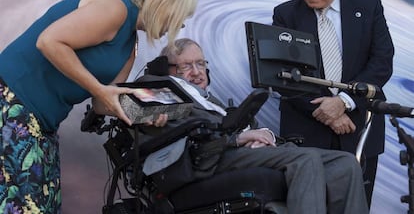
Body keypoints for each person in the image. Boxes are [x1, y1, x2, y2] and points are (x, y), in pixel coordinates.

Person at [0, 0, 197, 213]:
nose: (181, 25)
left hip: (43, 124)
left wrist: (146, 114)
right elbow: (49, 42)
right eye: (181, 17)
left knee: (43, 204)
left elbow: (103, 103)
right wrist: (99, 89)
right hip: (11, 105)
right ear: (168, 5)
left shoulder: (130, 46)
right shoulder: (115, 8)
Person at [138, 38, 369, 214]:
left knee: (345, 163)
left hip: (245, 150)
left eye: (200, 63)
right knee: (305, 160)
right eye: (185, 67)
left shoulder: (212, 102)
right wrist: (237, 139)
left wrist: (263, 135)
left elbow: (240, 126)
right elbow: (180, 135)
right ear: (167, 70)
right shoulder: (164, 94)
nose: (197, 72)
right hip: (209, 158)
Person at [272, 0, 394, 207]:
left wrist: (344, 102)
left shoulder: (368, 8)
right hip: (306, 135)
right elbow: (283, 74)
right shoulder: (286, 14)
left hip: (358, 128)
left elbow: (381, 63)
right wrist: (328, 110)